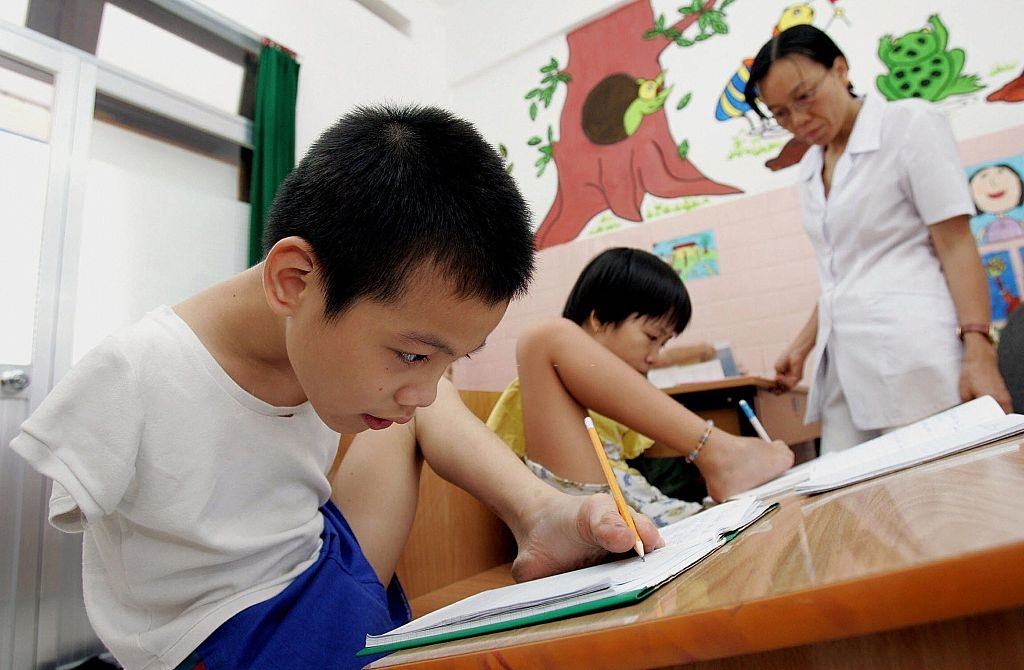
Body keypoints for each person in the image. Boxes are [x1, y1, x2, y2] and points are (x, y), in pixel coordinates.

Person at [8, 105, 664, 670]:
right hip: (228, 635)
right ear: (293, 281)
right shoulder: (138, 372)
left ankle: (539, 513)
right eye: (413, 353)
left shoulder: (324, 346)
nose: (426, 390)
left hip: (327, 568)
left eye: (448, 361)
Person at [743, 25, 1012, 453]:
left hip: (915, 351)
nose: (797, 121)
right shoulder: (812, 167)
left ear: (840, 69)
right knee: (861, 505)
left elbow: (956, 243)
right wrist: (802, 345)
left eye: (804, 97)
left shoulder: (908, 124)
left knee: (942, 496)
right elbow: (842, 274)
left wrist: (979, 349)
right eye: (780, 114)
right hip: (846, 366)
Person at [486, 247, 794, 525]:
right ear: (600, 318)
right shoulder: (545, 381)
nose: (654, 356)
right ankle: (723, 454)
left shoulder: (622, 392)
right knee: (545, 336)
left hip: (645, 510)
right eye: (651, 337)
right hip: (587, 510)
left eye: (663, 344)